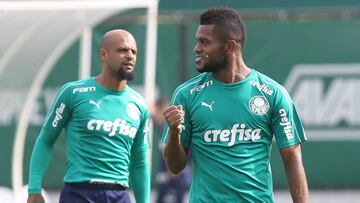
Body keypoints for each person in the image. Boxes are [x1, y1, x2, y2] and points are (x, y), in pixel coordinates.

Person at [162, 7, 309, 203]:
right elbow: (175, 166)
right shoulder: (186, 94)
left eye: (205, 42)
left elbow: (292, 157)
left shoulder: (273, 94)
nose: (196, 48)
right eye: (197, 41)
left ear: (230, 46)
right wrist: (173, 132)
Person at [27, 29, 150, 203]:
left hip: (119, 195)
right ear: (103, 54)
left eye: (134, 51)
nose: (130, 55)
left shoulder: (140, 105)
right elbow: (46, 139)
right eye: (122, 50)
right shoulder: (74, 92)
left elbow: (139, 163)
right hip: (78, 194)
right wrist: (34, 188)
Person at [151, 98, 191, 203]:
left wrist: (177, 171)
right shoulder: (159, 128)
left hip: (178, 175)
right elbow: (151, 117)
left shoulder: (177, 129)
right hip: (165, 176)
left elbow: (188, 149)